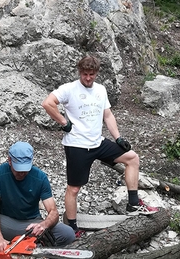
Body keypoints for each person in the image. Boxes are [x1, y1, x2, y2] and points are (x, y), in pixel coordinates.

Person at [42, 55, 158, 237]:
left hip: (98, 142)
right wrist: (64, 122)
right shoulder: (69, 89)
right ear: (80, 72)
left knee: (132, 158)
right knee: (73, 188)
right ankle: (72, 227)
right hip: (77, 145)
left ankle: (133, 204)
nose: (88, 78)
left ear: (96, 73)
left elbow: (108, 115)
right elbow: (48, 103)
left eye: (91, 74)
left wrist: (118, 138)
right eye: (85, 74)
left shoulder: (100, 90)